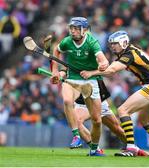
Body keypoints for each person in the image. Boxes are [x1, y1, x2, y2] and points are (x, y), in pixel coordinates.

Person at [80, 30, 149, 157]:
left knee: (123, 110)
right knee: (144, 120)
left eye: (115, 44)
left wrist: (91, 73)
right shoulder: (130, 51)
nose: (112, 47)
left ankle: (131, 148)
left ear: (123, 43)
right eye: (111, 44)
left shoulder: (129, 53)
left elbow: (112, 70)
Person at [50, 17, 109, 156]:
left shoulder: (91, 42)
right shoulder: (67, 41)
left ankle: (94, 149)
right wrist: (55, 71)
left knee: (97, 120)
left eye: (77, 28)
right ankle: (76, 135)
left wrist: (102, 64)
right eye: (72, 28)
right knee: (67, 101)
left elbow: (103, 60)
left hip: (90, 81)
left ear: (85, 30)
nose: (73, 31)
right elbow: (56, 51)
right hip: (72, 79)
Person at [74, 79, 149, 156]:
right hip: (82, 102)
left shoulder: (94, 69)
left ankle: (135, 149)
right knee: (76, 122)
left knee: (117, 129)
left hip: (99, 100)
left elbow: (103, 70)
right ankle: (95, 149)